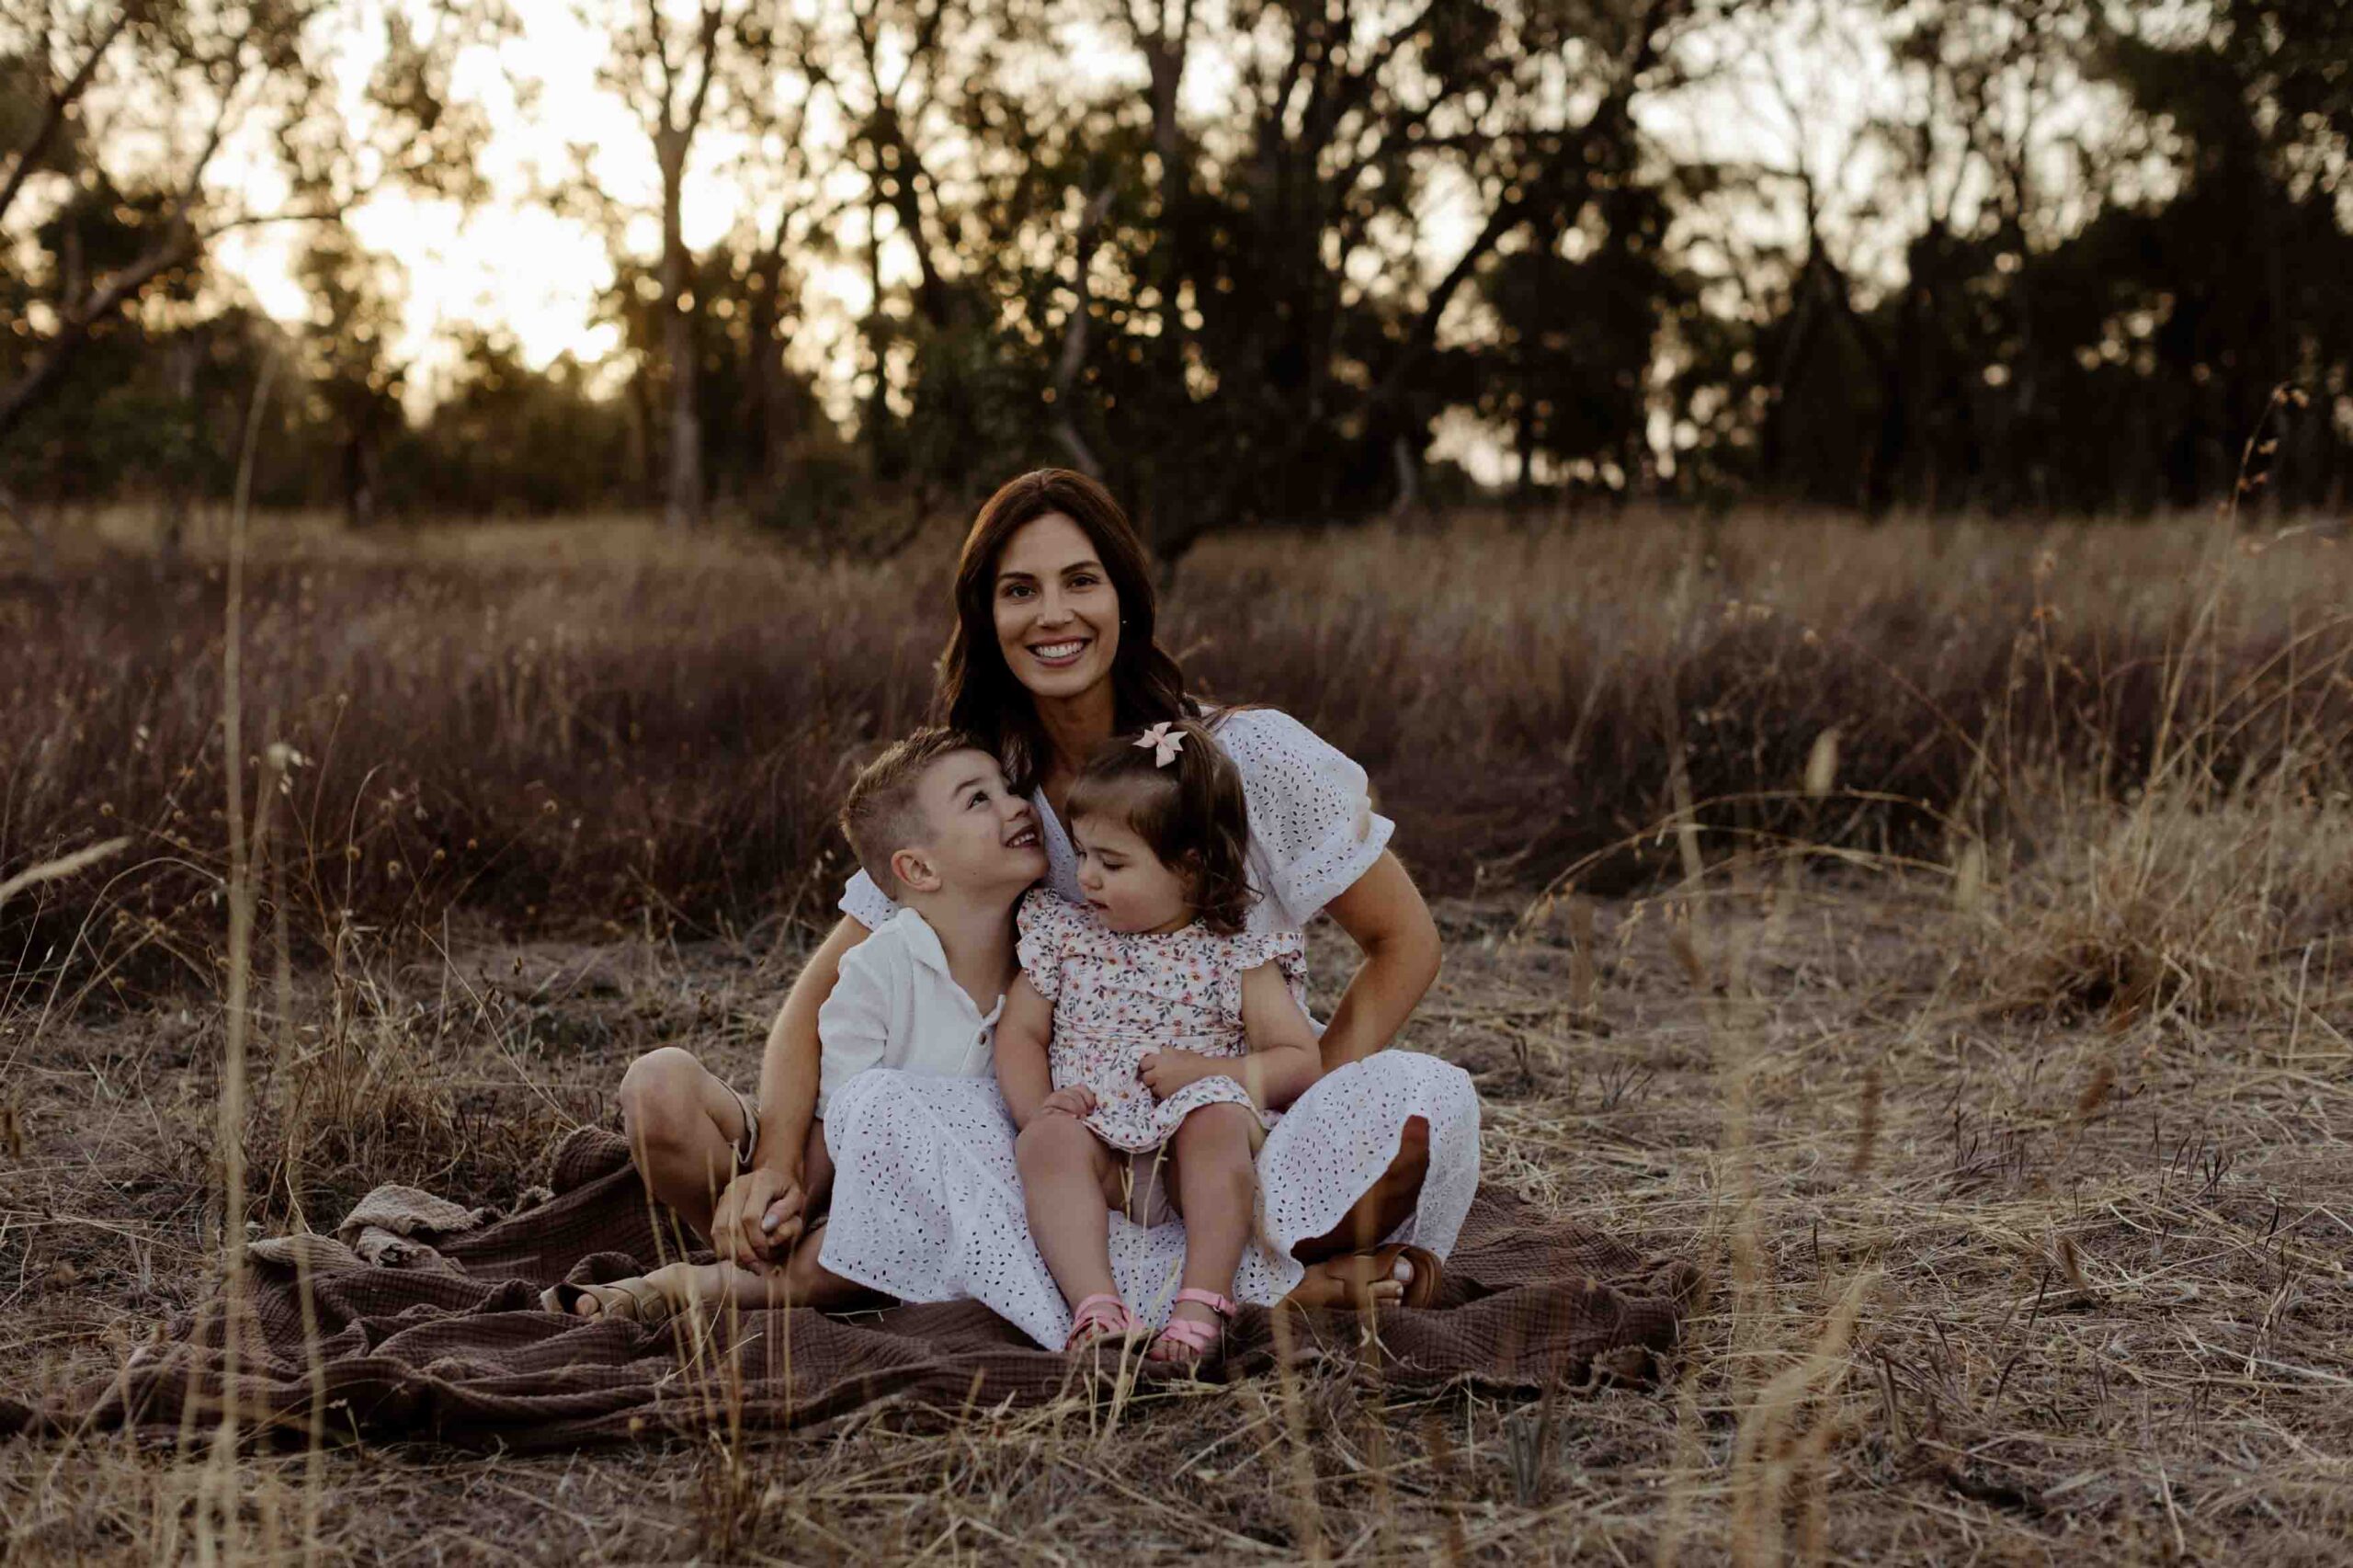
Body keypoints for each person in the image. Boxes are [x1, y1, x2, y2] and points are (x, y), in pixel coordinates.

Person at [625, 467, 1481, 1349]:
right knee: (895, 1113)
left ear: (1125, 595)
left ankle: (1185, 1264)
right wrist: (773, 1162)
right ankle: (1258, 1288)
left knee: (1421, 1110)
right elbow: (820, 992)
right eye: (1018, 591)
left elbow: (1404, 941)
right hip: (1058, 1137)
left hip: (1226, 1125)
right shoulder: (991, 794)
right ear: (985, 619)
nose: (1052, 615)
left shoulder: (1245, 757)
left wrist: (1291, 1105)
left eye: (1081, 580)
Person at [545, 728, 1045, 1324]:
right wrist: (785, 1197)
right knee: (657, 1085)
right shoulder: (880, 965)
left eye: (1009, 789)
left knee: (861, 1247)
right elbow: (834, 1116)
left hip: (954, 1205)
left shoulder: (1049, 954)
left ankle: (706, 1285)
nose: (1018, 805)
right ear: (917, 868)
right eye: (979, 799)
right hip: (844, 1178)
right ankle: (775, 1263)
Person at [999, 718, 1323, 1365]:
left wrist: (1208, 1070)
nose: (1085, 877)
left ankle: (1201, 1303)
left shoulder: (1235, 955)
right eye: (1083, 853)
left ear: (1190, 868)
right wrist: (1043, 1109)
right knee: (1046, 1143)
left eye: (1111, 862)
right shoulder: (1064, 935)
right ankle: (1096, 1306)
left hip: (1189, 1154)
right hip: (1099, 1142)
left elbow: (1299, 1062)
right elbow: (1021, 1034)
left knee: (1215, 1123)